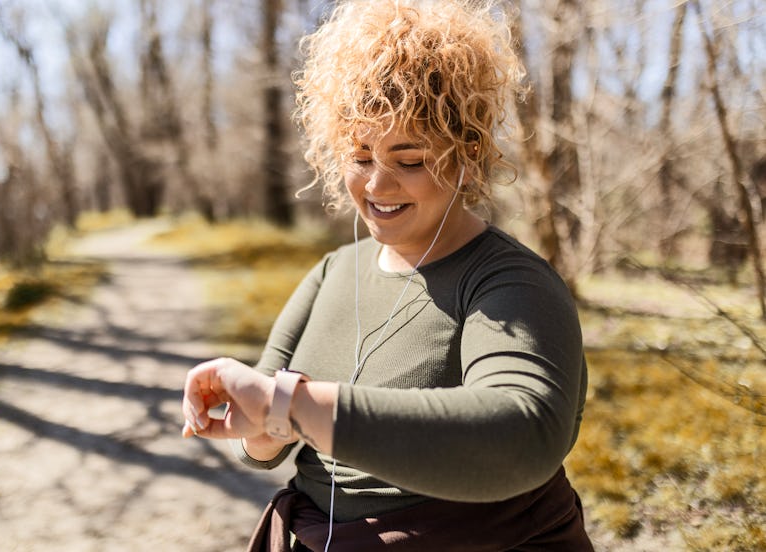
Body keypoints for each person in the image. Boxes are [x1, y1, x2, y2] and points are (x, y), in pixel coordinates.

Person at [182, 0, 593, 550]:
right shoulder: (333, 272)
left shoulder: (511, 284)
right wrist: (254, 420)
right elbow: (267, 442)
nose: (376, 185)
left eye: (410, 158)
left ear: (465, 153)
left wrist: (294, 407)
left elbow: (522, 435)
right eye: (359, 155)